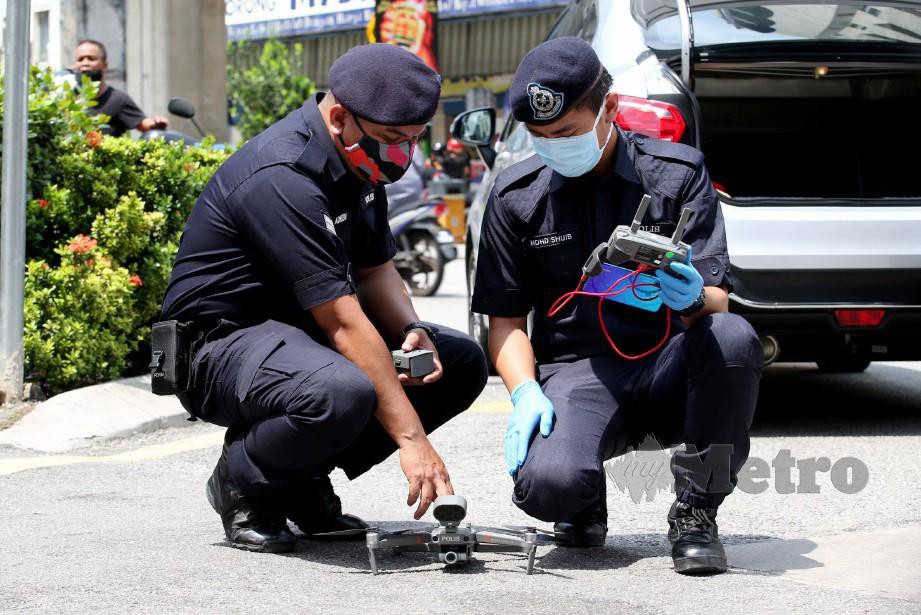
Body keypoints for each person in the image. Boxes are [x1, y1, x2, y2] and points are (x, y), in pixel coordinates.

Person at [160, 43, 488, 553]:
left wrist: (409, 329)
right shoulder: (283, 176)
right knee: (342, 390)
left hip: (298, 340)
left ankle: (301, 475)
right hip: (221, 346)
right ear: (339, 118)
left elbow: (374, 267)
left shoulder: (361, 162)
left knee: (459, 361)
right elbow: (341, 321)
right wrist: (412, 441)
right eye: (391, 139)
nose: (402, 154)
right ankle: (245, 479)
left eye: (413, 140)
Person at [471, 37, 762, 574]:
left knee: (734, 336)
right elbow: (506, 319)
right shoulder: (516, 196)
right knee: (550, 487)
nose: (554, 146)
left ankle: (696, 510)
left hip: (666, 363)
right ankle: (581, 495)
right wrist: (524, 391)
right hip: (576, 374)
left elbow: (715, 299)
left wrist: (692, 295)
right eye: (540, 137)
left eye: (566, 133)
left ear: (609, 108)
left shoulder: (676, 173)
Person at [72, 39, 169, 137]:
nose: (85, 63)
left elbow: (143, 124)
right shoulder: (68, 100)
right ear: (74, 65)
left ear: (105, 65)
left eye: (91, 58)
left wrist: (156, 124)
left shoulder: (118, 99)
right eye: (80, 59)